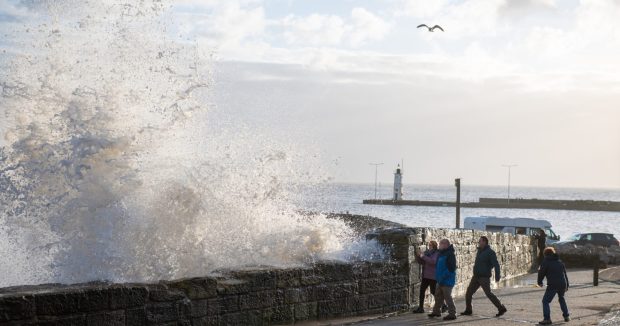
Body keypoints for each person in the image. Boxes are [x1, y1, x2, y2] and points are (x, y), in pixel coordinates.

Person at [461, 236, 507, 317]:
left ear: (484, 242)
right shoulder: (479, 251)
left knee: (488, 294)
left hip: (484, 277)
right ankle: (468, 310)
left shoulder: (490, 252)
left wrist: (497, 276)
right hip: (476, 276)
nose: (479, 242)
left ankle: (501, 308)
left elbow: (496, 264)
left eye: (480, 241)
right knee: (469, 293)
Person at [537, 247, 570, 325]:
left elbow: (541, 272)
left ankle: (547, 319)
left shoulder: (546, 261)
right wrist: (567, 285)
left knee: (545, 301)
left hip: (553, 285)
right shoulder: (559, 261)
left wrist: (539, 282)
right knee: (561, 298)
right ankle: (566, 316)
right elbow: (565, 274)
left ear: (545, 254)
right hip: (562, 284)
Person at [428, 239, 457, 321]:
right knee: (438, 297)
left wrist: (442, 277)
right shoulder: (440, 254)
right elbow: (438, 266)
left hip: (447, 281)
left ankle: (452, 314)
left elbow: (451, 269)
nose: (439, 245)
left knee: (448, 297)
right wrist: (438, 277)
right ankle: (436, 311)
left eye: (440, 244)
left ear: (445, 245)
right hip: (440, 280)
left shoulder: (450, 254)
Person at [413, 240, 444, 313]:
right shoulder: (427, 253)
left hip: (433, 276)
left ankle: (444, 305)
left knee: (433, 292)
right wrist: (418, 256)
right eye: (428, 245)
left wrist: (423, 256)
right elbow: (422, 262)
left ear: (434, 246)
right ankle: (421, 308)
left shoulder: (436, 253)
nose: (429, 246)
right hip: (425, 275)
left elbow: (433, 262)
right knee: (422, 291)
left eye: (430, 245)